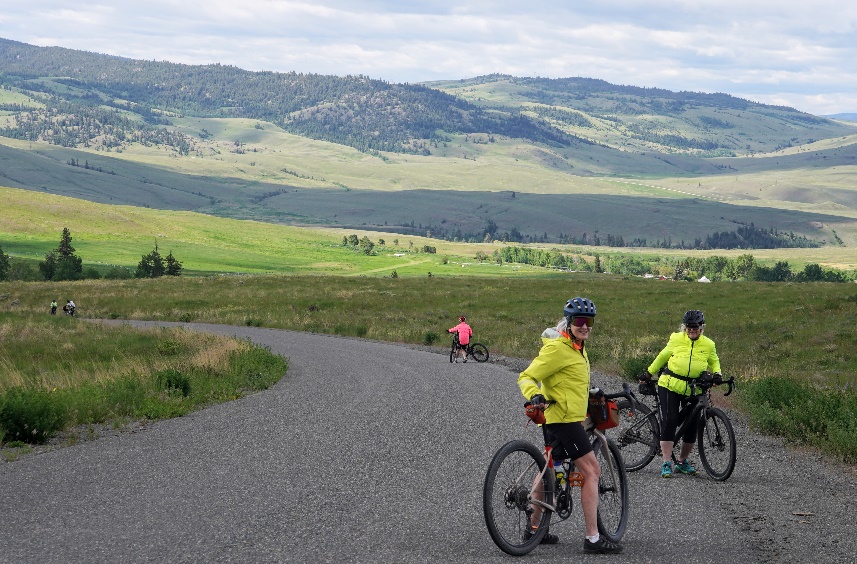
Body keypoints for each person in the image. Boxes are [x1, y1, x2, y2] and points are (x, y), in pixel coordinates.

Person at [518, 297, 623, 554]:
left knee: (549, 471)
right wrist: (534, 394)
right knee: (592, 472)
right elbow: (527, 376)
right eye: (579, 321)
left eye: (589, 322)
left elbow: (570, 380)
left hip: (562, 418)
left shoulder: (578, 347)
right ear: (569, 322)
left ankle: (534, 529)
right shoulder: (558, 348)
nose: (585, 326)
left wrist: (592, 392)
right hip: (563, 420)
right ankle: (593, 538)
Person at [642, 309, 722, 478]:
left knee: (691, 425)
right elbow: (663, 356)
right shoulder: (676, 338)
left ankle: (682, 461)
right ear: (685, 327)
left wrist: (717, 374)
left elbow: (714, 361)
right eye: (688, 327)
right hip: (670, 384)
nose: (691, 329)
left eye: (695, 326)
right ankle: (666, 462)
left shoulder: (709, 344)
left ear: (702, 327)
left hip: (694, 388)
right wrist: (648, 373)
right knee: (670, 420)